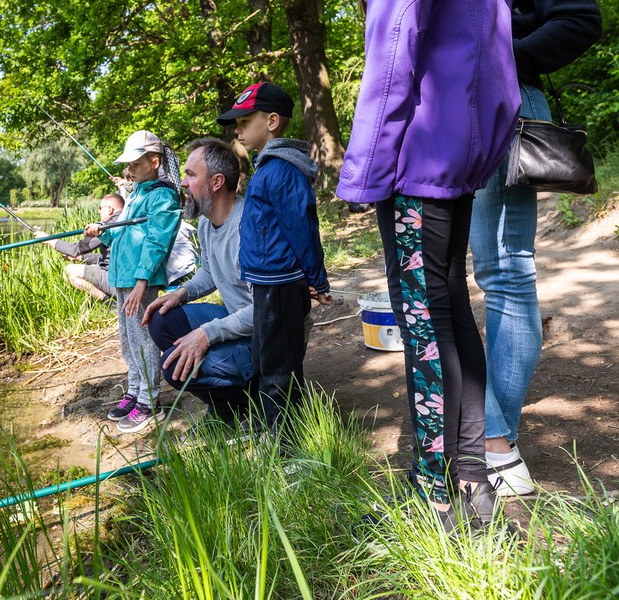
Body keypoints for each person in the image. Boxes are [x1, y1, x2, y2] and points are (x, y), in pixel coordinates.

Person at [336, 0, 520, 530]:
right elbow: (501, 67)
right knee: (450, 307)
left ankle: (434, 498)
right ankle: (471, 482)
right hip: (457, 154)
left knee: (424, 320)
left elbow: (392, 52)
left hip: (415, 162)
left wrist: (365, 172)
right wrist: (479, 151)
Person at [469, 0, 602, 497]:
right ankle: (484, 442)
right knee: (462, 280)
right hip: (444, 113)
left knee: (503, 274)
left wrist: (504, 57)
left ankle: (496, 446)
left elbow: (580, 18)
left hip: (500, 109)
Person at [216, 82, 332, 433]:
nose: (237, 130)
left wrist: (316, 278)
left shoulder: (281, 170)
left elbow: (302, 229)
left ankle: (288, 448)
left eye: (244, 121)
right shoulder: (268, 167)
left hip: (280, 285)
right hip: (268, 283)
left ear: (272, 121)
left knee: (279, 369)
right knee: (266, 362)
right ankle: (277, 434)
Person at [143, 138, 254, 428]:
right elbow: (210, 271)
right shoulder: (207, 221)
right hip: (236, 318)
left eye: (191, 175)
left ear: (217, 182)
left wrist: (207, 335)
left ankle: (254, 400)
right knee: (161, 318)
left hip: (265, 336)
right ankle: (225, 407)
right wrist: (181, 293)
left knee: (174, 366)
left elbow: (266, 309)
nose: (182, 182)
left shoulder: (248, 230)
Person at [84, 130, 182, 433]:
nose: (129, 171)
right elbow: (125, 230)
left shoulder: (162, 195)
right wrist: (104, 231)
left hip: (141, 280)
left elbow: (156, 241)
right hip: (123, 277)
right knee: (128, 342)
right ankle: (135, 390)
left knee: (144, 341)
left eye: (135, 164)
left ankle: (150, 402)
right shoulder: (138, 192)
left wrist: (142, 281)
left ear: (154, 161)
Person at [35, 193, 124, 301]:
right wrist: (80, 258)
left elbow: (76, 249)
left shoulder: (109, 226)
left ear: (110, 209)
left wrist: (48, 240)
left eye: (100, 208)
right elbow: (106, 257)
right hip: (120, 277)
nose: (98, 211)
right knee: (85, 270)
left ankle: (110, 303)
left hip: (119, 282)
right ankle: (112, 301)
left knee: (69, 271)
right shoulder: (124, 219)